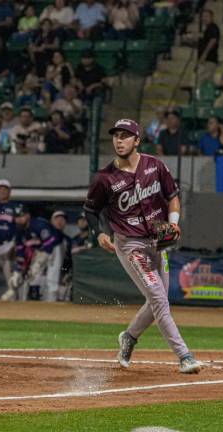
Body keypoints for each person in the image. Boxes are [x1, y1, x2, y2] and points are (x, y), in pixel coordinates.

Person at [83, 118, 203, 374]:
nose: (119, 140)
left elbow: (172, 196)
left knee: (156, 300)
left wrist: (173, 222)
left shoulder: (155, 166)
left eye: (126, 136)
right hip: (130, 245)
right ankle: (184, 355)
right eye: (116, 135)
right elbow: (90, 210)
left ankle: (129, 337)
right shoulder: (105, 178)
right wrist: (98, 233)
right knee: (158, 297)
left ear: (137, 140)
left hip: (159, 241)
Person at [1, 204, 63, 302]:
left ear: (28, 216)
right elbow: (20, 252)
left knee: (51, 279)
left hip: (54, 247)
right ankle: (27, 305)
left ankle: (52, 305)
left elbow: (49, 245)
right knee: (32, 277)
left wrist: (38, 263)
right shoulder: (18, 230)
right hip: (38, 250)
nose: (18, 219)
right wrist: (17, 271)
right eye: (16, 217)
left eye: (21, 216)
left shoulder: (39, 225)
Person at [195, 9, 220, 85]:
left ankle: (198, 96)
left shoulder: (213, 27)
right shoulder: (207, 29)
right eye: (203, 16)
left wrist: (204, 55)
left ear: (212, 17)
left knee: (200, 80)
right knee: (207, 80)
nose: (204, 18)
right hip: (206, 59)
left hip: (209, 59)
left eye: (207, 16)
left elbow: (213, 41)